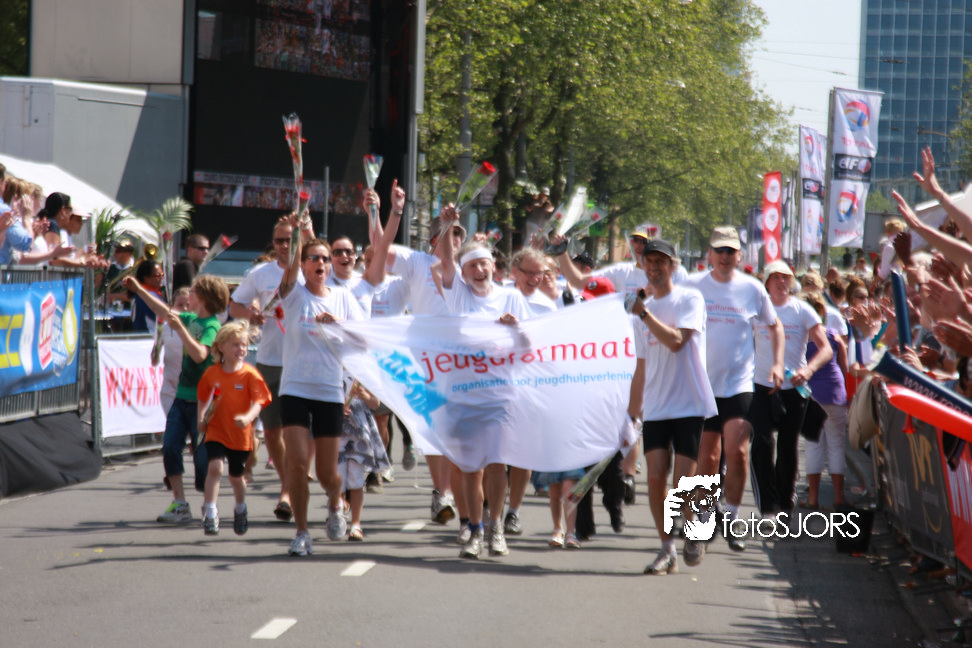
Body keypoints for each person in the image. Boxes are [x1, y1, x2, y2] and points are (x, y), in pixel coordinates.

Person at [682, 226, 784, 552]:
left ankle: (732, 516)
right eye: (719, 250)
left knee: (738, 453)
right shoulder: (692, 285)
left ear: (740, 255)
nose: (725, 256)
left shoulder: (752, 289)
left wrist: (778, 363)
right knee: (708, 457)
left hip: (739, 384)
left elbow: (775, 326)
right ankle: (704, 517)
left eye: (730, 251)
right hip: (702, 385)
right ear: (710, 254)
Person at [437, 223, 534, 559]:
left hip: (500, 396)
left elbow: (529, 348)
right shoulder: (458, 295)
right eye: (471, 266)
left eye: (483, 264)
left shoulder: (512, 298)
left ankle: (496, 529)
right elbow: (444, 260)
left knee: (496, 464)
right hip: (464, 396)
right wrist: (446, 225)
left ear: (494, 266)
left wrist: (516, 328)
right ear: (463, 274)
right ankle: (475, 530)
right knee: (471, 468)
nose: (479, 271)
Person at [277, 214, 366, 556]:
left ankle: (335, 502)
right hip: (295, 389)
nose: (321, 263)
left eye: (325, 259)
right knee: (298, 465)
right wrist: (296, 233)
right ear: (302, 264)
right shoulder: (294, 295)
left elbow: (363, 336)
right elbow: (288, 275)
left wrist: (337, 322)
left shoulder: (343, 298)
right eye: (313, 258)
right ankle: (302, 532)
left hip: (329, 390)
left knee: (328, 474)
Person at [628, 239, 717, 574]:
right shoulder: (640, 312)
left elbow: (677, 342)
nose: (654, 266)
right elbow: (641, 366)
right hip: (656, 406)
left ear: (672, 266)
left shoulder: (688, 299)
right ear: (643, 266)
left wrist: (644, 313)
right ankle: (667, 549)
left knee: (683, 483)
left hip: (688, 403)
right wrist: (631, 414)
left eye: (661, 261)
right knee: (654, 479)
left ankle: (694, 530)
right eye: (649, 261)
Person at [123, 272, 230, 523]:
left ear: (203, 297)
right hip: (181, 397)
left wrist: (181, 329)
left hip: (204, 401)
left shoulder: (212, 326)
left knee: (203, 461)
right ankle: (180, 503)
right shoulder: (190, 318)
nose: (188, 294)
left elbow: (199, 355)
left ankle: (209, 503)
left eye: (192, 291)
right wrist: (139, 290)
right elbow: (161, 310)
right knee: (170, 447)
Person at [383, 211, 466, 525]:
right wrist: (387, 213)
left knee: (457, 431)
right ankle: (442, 492)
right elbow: (380, 247)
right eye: (449, 233)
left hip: (461, 361)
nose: (455, 239)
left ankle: (459, 494)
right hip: (426, 361)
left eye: (458, 234)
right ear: (435, 239)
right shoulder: (416, 262)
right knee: (433, 426)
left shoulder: (468, 269)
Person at [228, 218, 311, 523]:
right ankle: (288, 484)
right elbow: (234, 306)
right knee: (273, 433)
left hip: (303, 362)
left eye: (290, 240)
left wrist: (307, 229)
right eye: (279, 240)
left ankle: (287, 493)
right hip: (269, 361)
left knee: (295, 431)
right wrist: (250, 314)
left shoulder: (309, 269)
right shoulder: (261, 273)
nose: (284, 245)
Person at [749, 260, 832, 516]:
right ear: (767, 282)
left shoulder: (802, 310)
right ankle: (768, 504)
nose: (781, 281)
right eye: (776, 277)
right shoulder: (755, 310)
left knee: (788, 446)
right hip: (762, 385)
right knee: (762, 443)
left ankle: (785, 501)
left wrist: (808, 370)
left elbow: (826, 349)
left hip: (794, 388)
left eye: (785, 277)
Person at [196, 321, 271, 536]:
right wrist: (200, 418)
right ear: (221, 347)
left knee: (236, 478)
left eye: (244, 345)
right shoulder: (212, 373)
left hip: (239, 435)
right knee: (215, 468)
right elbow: (202, 397)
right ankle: (210, 513)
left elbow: (261, 400)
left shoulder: (250, 374)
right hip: (216, 430)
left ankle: (240, 507)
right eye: (236, 345)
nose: (241, 349)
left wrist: (248, 417)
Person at [801, 292, 849, 510]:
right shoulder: (833, 335)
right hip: (835, 392)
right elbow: (844, 367)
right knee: (837, 445)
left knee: (813, 445)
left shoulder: (799, 337)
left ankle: (813, 498)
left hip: (811, 395)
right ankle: (839, 497)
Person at [338, 378, 391, 541]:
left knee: (356, 480)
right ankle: (338, 513)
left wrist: (365, 396)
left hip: (359, 435)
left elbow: (375, 404)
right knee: (337, 479)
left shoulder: (363, 373)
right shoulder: (333, 368)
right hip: (336, 430)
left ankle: (356, 524)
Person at [131, 261, 165, 333]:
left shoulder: (148, 293)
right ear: (146, 278)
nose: (162, 278)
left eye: (162, 275)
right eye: (158, 275)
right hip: (147, 336)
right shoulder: (146, 296)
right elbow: (160, 317)